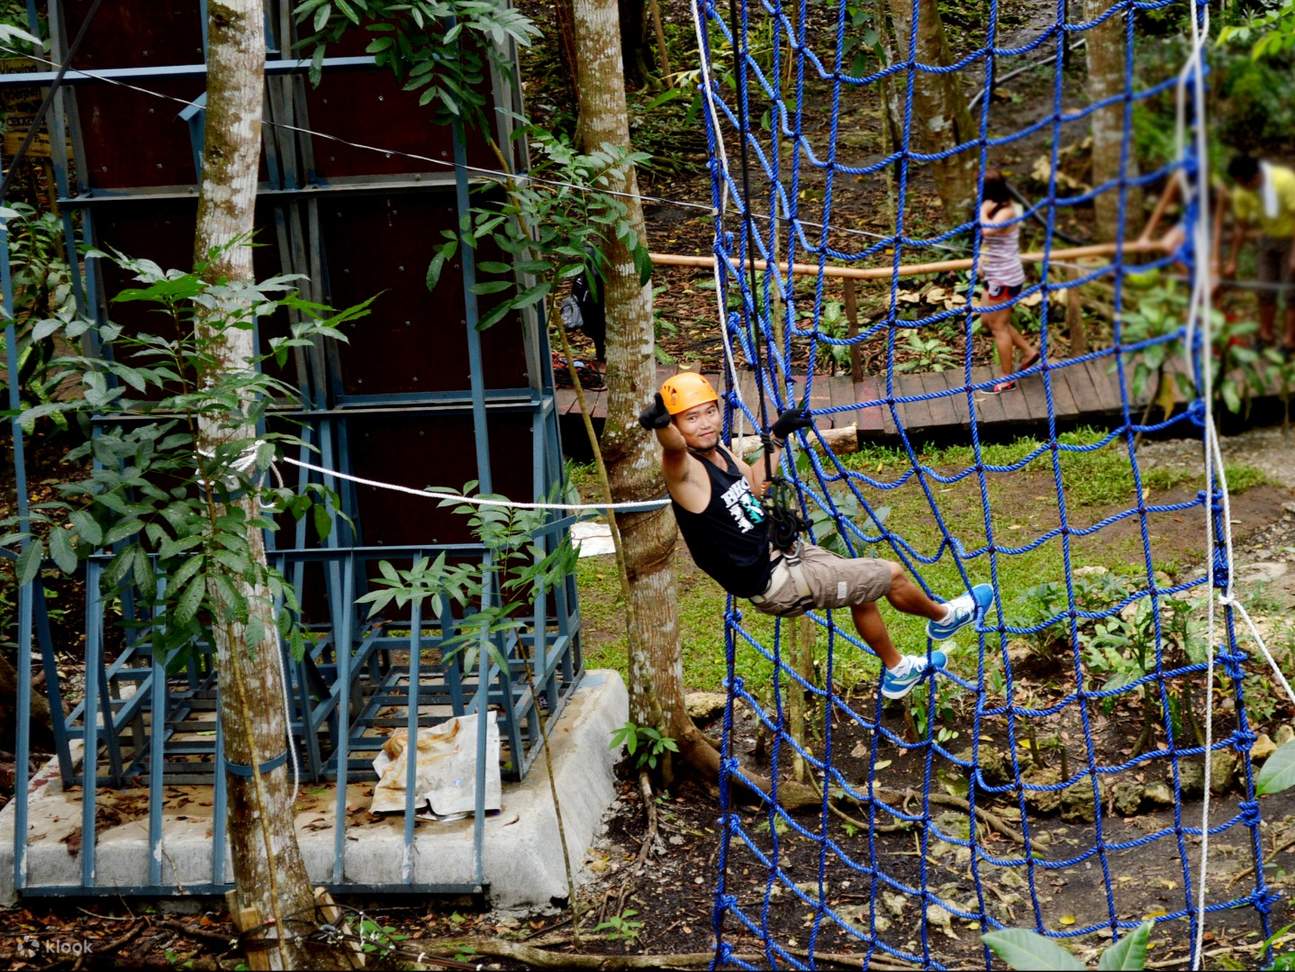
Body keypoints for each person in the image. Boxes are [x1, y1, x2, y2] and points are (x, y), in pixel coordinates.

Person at [638, 372, 993, 701]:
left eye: (709, 412)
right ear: (677, 425)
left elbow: (752, 485)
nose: (705, 423)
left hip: (788, 554)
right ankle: (944, 617)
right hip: (778, 582)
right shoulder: (684, 471)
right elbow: (673, 449)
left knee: (862, 591)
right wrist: (661, 425)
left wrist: (777, 436)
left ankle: (897, 670)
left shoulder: (719, 452)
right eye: (691, 418)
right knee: (891, 575)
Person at [1222, 154, 1295, 353]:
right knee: (1264, 290)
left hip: (1291, 238)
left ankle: (1289, 342)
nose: (1242, 188)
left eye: (1244, 183)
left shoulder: (1284, 180)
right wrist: (1232, 260)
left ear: (1256, 176)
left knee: (1291, 293)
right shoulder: (1241, 192)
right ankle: (1266, 336)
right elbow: (1241, 227)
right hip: (1268, 238)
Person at [978, 170, 1039, 393]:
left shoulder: (1007, 211)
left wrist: (982, 211)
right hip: (994, 275)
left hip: (1005, 278)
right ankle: (1028, 351)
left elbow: (987, 230)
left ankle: (1007, 379)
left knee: (999, 327)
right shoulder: (996, 208)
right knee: (987, 321)